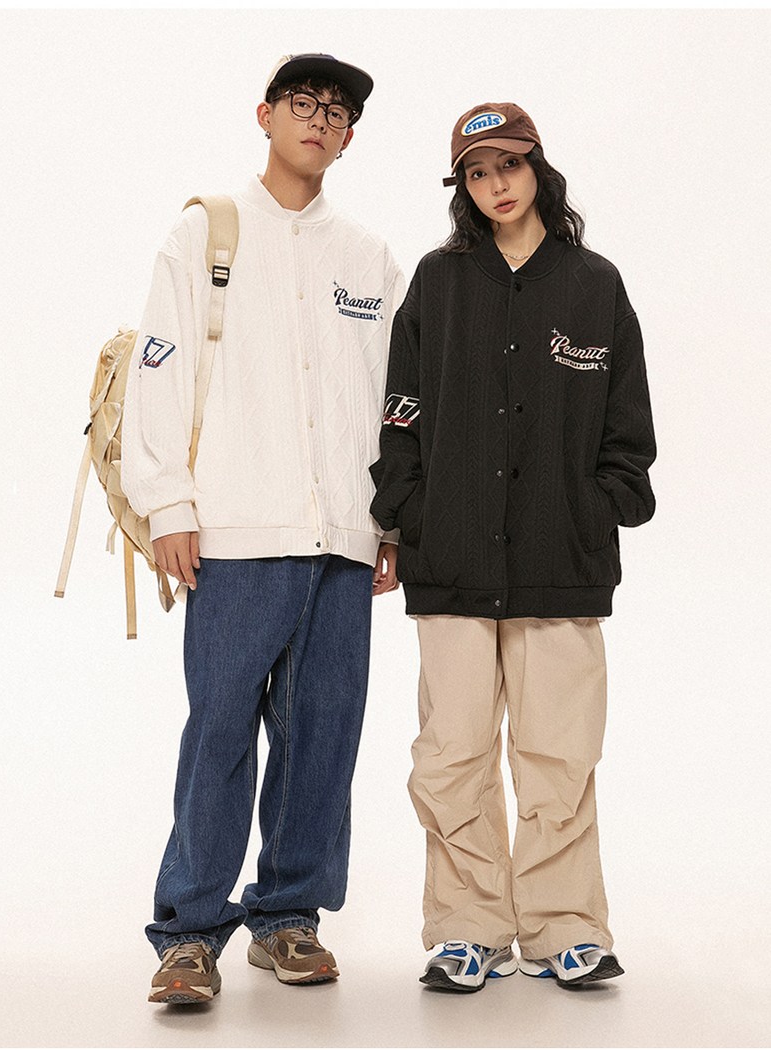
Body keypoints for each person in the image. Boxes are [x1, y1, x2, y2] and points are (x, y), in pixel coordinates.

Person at [122, 53, 404, 1004]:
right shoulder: (205, 232)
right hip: (234, 535)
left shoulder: (368, 257)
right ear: (267, 114)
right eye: (304, 103)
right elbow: (161, 370)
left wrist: (391, 523)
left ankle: (288, 917)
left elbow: (390, 400)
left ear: (349, 138)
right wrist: (169, 503)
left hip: (344, 541)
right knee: (221, 732)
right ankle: (188, 931)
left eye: (338, 112)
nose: (320, 120)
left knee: (324, 734)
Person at [369, 101, 656, 993]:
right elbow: (401, 412)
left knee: (558, 755)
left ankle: (566, 929)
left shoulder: (595, 284)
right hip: (450, 558)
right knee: (451, 754)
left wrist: (594, 508)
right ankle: (469, 930)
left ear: (538, 169)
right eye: (477, 172)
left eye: (509, 165)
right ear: (463, 186)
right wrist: (406, 513)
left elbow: (629, 431)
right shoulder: (438, 281)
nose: (496, 185)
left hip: (559, 563)